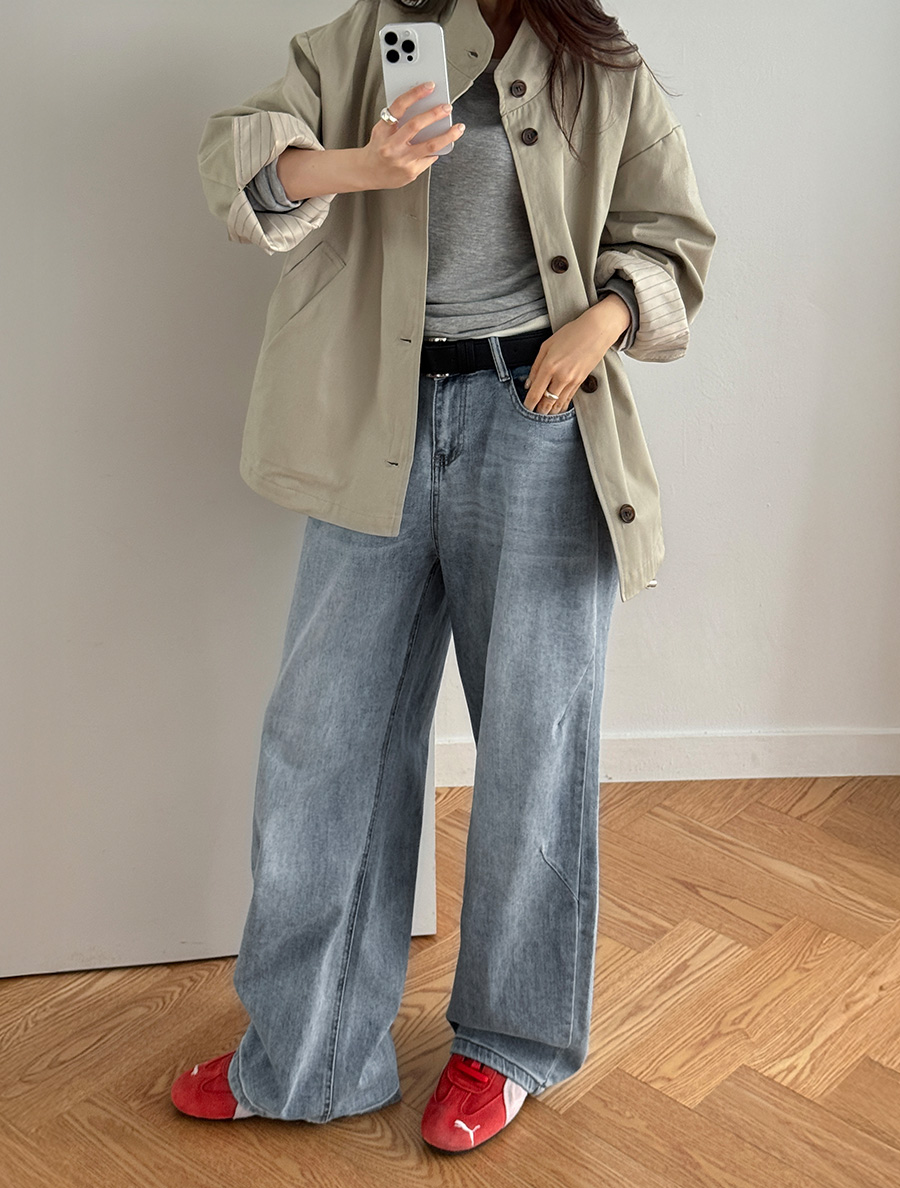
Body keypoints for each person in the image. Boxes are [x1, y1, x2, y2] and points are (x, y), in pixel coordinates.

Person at [173, 0, 716, 1154]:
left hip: (541, 423)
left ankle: (507, 1047)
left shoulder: (598, 64)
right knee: (324, 741)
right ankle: (311, 1051)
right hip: (372, 424)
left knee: (534, 742)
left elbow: (675, 238)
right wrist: (362, 165)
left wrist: (602, 320)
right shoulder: (364, 36)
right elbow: (240, 163)